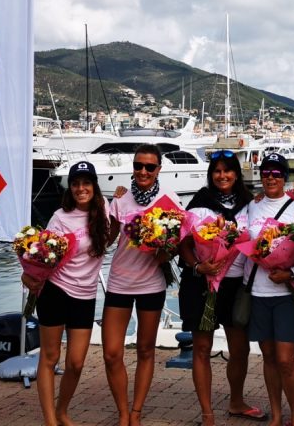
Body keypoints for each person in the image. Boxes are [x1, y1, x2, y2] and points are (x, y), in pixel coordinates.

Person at [178, 149, 265, 426]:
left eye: (228, 170)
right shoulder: (199, 203)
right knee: (202, 348)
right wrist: (197, 266)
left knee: (239, 349)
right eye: (217, 171)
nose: (222, 176)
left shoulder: (249, 203)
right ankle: (207, 413)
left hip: (236, 284)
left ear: (237, 174)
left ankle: (236, 401)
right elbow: (184, 243)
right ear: (211, 174)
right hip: (201, 283)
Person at [24, 160, 110, 426]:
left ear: (94, 186)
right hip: (56, 291)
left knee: (76, 363)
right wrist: (27, 275)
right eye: (75, 183)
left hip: (85, 296)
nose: (80, 188)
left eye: (86, 183)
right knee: (50, 358)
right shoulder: (60, 217)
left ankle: (62, 411)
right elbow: (42, 254)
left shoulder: (104, 209)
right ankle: (51, 420)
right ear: (69, 187)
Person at [102, 144, 181, 426]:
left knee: (146, 350)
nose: (143, 171)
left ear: (159, 169)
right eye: (138, 166)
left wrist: (165, 250)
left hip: (151, 284)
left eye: (150, 167)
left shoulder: (169, 199)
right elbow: (107, 240)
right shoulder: (120, 200)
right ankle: (122, 412)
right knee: (112, 353)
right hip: (120, 282)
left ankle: (135, 412)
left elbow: (176, 244)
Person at [246, 152, 294, 426]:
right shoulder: (252, 206)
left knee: (286, 359)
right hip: (258, 293)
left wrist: (291, 272)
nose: (270, 178)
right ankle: (275, 413)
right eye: (266, 173)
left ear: (285, 177)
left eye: (276, 173)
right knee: (269, 357)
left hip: (286, 294)